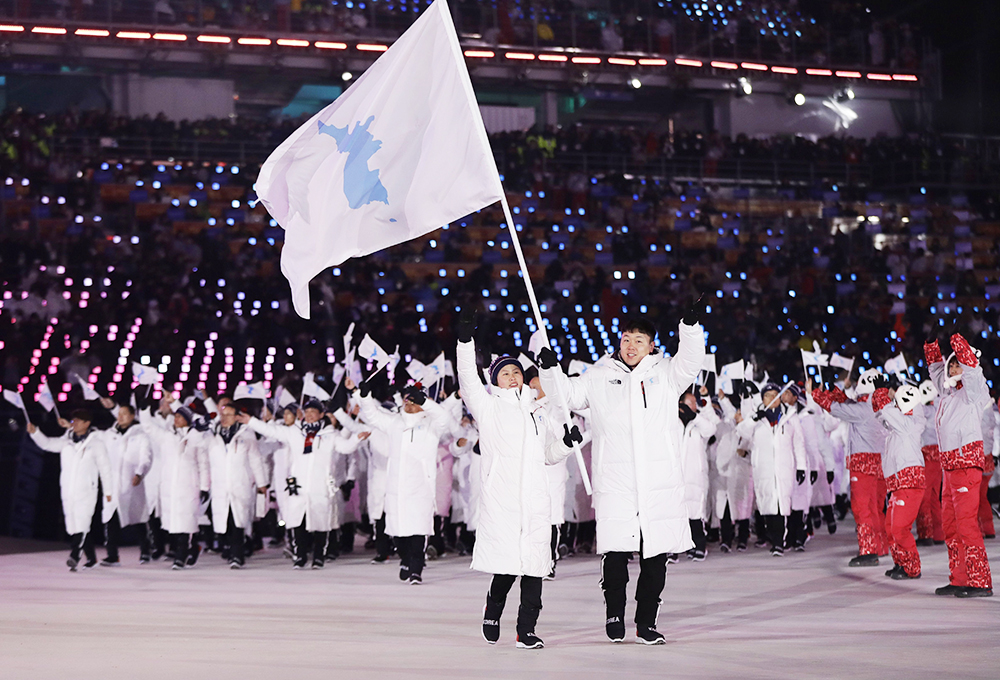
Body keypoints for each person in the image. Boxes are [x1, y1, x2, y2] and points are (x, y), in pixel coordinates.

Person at [538, 304, 705, 645]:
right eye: (626, 339)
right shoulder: (599, 376)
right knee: (615, 554)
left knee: (655, 556)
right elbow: (566, 396)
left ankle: (646, 621)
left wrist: (689, 326)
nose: (630, 346)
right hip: (616, 483)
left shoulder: (667, 374)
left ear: (652, 347)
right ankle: (614, 613)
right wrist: (549, 369)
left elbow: (691, 361)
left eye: (639, 341)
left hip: (658, 484)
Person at [456, 311, 580, 649]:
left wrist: (566, 446)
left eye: (516, 373)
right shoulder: (487, 407)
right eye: (505, 373)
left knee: (535, 568)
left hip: (536, 499)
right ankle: (493, 608)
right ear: (495, 380)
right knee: (508, 567)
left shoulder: (537, 411)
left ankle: (527, 630)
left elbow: (547, 455)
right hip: (504, 497)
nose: (512, 377)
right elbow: (468, 377)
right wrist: (465, 343)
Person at [238, 399, 368, 569]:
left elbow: (345, 448)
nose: (310, 415)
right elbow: (273, 431)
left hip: (320, 486)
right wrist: (252, 421)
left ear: (321, 415)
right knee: (298, 522)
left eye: (313, 412)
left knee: (321, 523)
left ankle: (319, 556)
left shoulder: (330, 435)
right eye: (307, 412)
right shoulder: (295, 432)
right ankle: (300, 556)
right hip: (298, 486)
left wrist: (357, 439)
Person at [356, 379, 456, 584]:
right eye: (407, 400)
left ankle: (416, 570)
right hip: (397, 488)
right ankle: (404, 559)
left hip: (420, 487)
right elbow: (373, 416)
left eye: (415, 401)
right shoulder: (394, 422)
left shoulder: (431, 423)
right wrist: (365, 398)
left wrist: (426, 403)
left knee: (418, 530)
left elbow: (444, 418)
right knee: (399, 534)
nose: (410, 404)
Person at [925, 333, 993, 597]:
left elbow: (974, 372)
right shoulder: (948, 393)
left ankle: (980, 581)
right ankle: (960, 577)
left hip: (966, 464)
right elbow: (935, 371)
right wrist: (932, 347)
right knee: (951, 525)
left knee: (966, 524)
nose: (954, 369)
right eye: (952, 364)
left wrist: (957, 342)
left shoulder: (975, 391)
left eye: (958, 365)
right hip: (950, 466)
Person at [812, 370, 888, 567]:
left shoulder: (864, 408)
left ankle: (868, 551)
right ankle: (879, 545)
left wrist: (817, 394)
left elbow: (838, 409)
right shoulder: (878, 406)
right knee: (873, 507)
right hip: (878, 460)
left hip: (862, 462)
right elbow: (847, 404)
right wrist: (833, 390)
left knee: (862, 507)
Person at [28, 409, 112, 571]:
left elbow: (105, 468)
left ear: (87, 423)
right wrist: (35, 432)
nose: (75, 423)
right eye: (74, 420)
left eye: (79, 421)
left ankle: (75, 554)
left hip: (87, 490)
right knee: (75, 525)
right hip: (68, 489)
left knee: (83, 521)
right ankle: (92, 558)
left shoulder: (96, 444)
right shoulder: (66, 441)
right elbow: (47, 444)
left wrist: (108, 492)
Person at [735, 384, 806, 557]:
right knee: (768, 507)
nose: (772, 398)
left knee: (782, 506)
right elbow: (741, 431)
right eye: (768, 395)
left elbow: (799, 443)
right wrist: (753, 419)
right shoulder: (757, 417)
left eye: (776, 394)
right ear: (763, 398)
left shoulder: (790, 417)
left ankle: (778, 544)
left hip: (783, 469)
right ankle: (774, 539)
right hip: (764, 469)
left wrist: (801, 466)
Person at [139, 400, 210, 570]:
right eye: (175, 416)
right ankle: (191, 548)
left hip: (188, 485)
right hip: (170, 486)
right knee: (174, 523)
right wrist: (143, 408)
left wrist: (205, 487)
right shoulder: (166, 436)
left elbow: (203, 463)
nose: (176, 419)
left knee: (186, 520)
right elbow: (148, 427)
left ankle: (181, 556)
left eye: (180, 416)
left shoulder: (196, 437)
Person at [871, 380, 926, 580]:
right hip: (898, 483)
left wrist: (883, 393)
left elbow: (887, 412)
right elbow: (881, 416)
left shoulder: (910, 424)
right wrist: (881, 395)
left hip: (909, 483)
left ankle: (912, 567)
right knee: (890, 527)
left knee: (900, 528)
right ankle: (900, 563)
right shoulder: (898, 426)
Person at [207, 403, 269, 569]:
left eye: (229, 414)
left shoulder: (246, 435)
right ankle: (229, 548)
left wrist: (262, 483)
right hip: (220, 485)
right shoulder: (212, 435)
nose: (225, 418)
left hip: (239, 484)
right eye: (223, 414)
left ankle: (237, 555)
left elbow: (256, 460)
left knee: (237, 521)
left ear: (236, 417)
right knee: (224, 522)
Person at [99, 402, 154, 565]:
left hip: (131, 483)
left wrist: (140, 472)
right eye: (119, 413)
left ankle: (145, 550)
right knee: (110, 519)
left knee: (137, 519)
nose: (120, 416)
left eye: (124, 414)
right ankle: (112, 554)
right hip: (112, 485)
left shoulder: (141, 435)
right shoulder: (110, 434)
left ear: (132, 416)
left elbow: (146, 457)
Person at [679, 389, 720, 561]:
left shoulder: (699, 424)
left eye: (695, 403)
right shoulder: (673, 422)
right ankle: (679, 549)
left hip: (695, 476)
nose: (694, 406)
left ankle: (699, 546)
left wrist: (697, 413)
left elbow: (711, 427)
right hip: (677, 477)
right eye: (690, 403)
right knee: (679, 514)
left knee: (696, 513)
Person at [915, 380, 944, 546]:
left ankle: (926, 533)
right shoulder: (940, 407)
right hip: (938, 455)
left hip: (927, 454)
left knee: (924, 496)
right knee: (934, 496)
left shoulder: (925, 410)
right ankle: (938, 533)